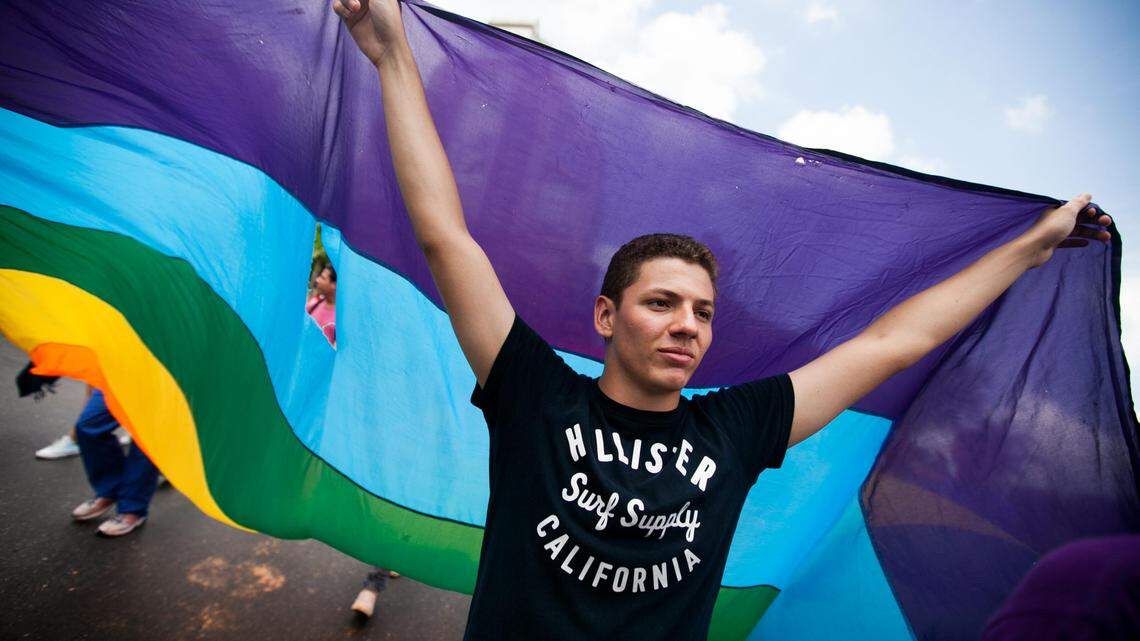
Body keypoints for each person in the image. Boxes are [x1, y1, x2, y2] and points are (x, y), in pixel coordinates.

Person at [331, 1, 1114, 639]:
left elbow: (892, 341)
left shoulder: (736, 427)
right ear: (607, 315)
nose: (687, 326)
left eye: (702, 312)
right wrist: (395, 58)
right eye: (661, 302)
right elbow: (445, 235)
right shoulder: (535, 392)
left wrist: (1031, 247)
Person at [70, 386, 160, 537]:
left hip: (169, 375)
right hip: (125, 369)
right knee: (88, 425)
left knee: (145, 440)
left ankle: (132, 508)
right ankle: (110, 490)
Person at [307, 261, 337, 345]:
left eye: (322, 278)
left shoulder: (341, 318)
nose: (317, 280)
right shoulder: (315, 302)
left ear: (334, 285)